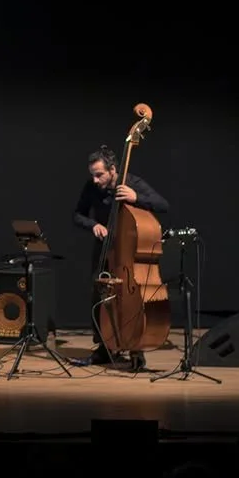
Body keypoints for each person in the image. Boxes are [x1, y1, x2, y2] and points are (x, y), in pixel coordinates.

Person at [73, 146, 170, 368]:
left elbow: (163, 205)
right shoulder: (92, 187)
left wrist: (136, 198)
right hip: (105, 250)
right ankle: (105, 348)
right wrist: (93, 225)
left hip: (129, 254)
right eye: (93, 175)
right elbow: (77, 214)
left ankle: (136, 348)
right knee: (99, 296)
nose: (95, 180)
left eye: (99, 175)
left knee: (133, 299)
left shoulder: (133, 183)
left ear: (113, 170)